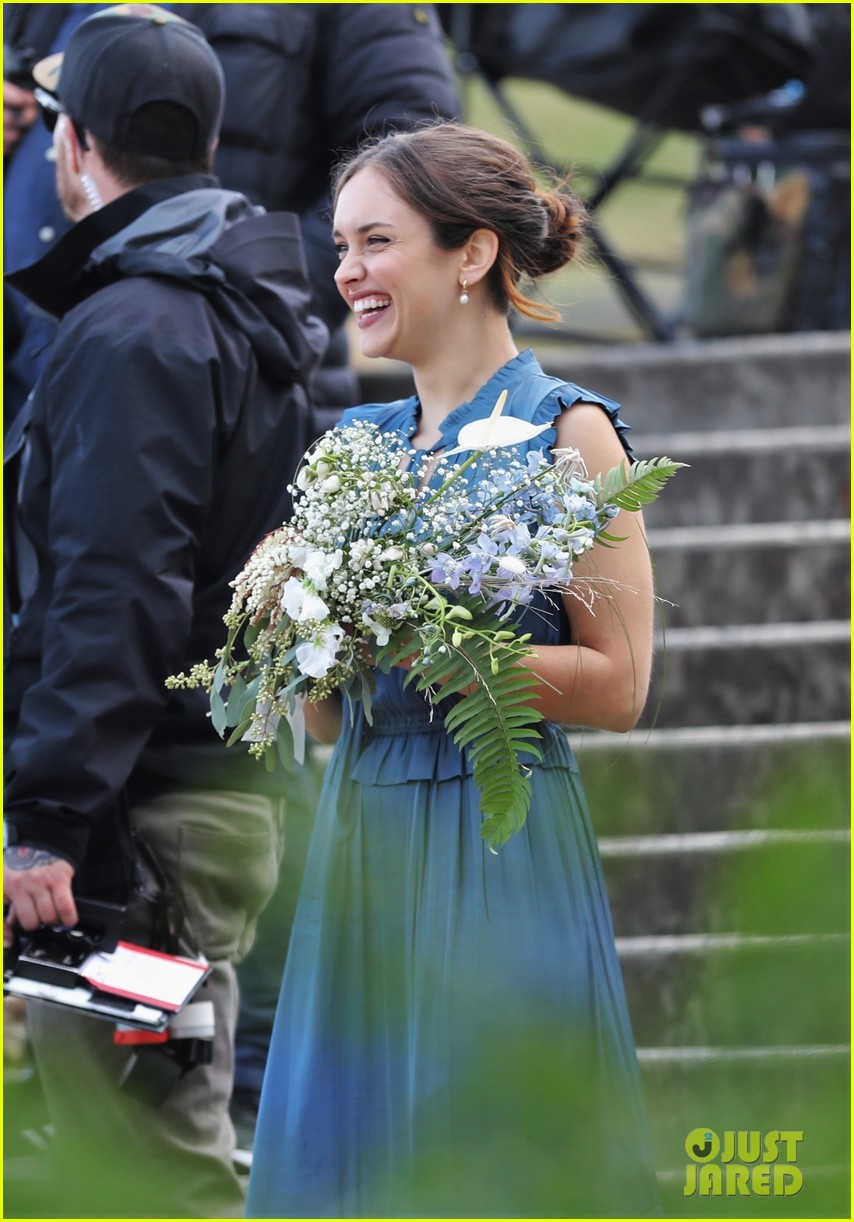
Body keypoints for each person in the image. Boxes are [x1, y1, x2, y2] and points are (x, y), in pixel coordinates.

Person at [246, 122, 661, 1218]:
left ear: (470, 254)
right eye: (340, 244)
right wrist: (307, 634)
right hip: (359, 844)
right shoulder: (354, 446)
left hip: (500, 834)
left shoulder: (568, 436)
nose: (346, 271)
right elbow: (331, 724)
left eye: (375, 241)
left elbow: (619, 685)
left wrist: (444, 650)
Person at [3, 6, 327, 1217]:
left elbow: (112, 587)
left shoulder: (133, 328)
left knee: (144, 1172)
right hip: (191, 817)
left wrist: (46, 819)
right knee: (156, 1144)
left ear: (75, 145)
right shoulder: (223, 307)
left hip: (126, 841)